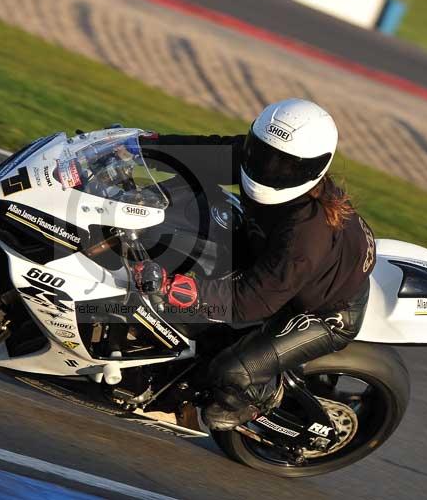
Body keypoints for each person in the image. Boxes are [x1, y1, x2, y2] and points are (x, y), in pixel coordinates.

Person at [135, 98, 376, 430]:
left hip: (321, 311)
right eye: (263, 153)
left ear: (312, 168)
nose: (269, 168)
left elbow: (252, 300)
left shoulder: (308, 233)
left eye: (286, 165)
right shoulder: (258, 160)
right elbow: (204, 156)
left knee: (229, 372)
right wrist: (142, 147)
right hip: (269, 259)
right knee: (187, 211)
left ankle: (259, 399)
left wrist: (177, 288)